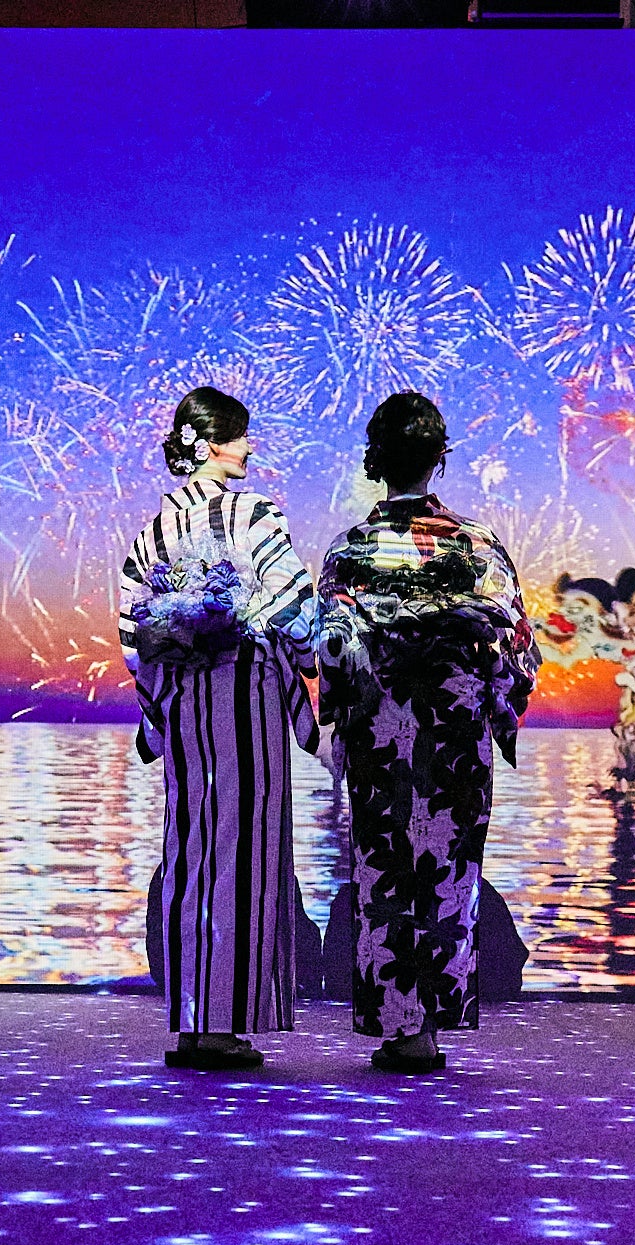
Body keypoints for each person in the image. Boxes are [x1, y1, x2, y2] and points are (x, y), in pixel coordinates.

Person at [313, 392, 539, 1078]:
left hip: (381, 730)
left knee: (382, 870)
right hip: (453, 729)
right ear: (440, 458)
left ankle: (398, 1027)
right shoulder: (477, 544)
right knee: (448, 872)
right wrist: (499, 706)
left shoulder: (349, 550)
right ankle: (430, 1027)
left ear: (375, 460)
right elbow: (514, 645)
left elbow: (331, 651)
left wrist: (343, 711)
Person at [116, 387, 320, 1072]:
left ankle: (190, 1021)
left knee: (189, 851)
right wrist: (312, 663)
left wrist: (156, 700)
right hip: (244, 691)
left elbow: (134, 633)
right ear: (210, 445)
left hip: (182, 698)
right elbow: (292, 602)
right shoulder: (251, 513)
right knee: (246, 851)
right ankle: (226, 1024)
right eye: (239, 436)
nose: (249, 447)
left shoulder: (152, 532)